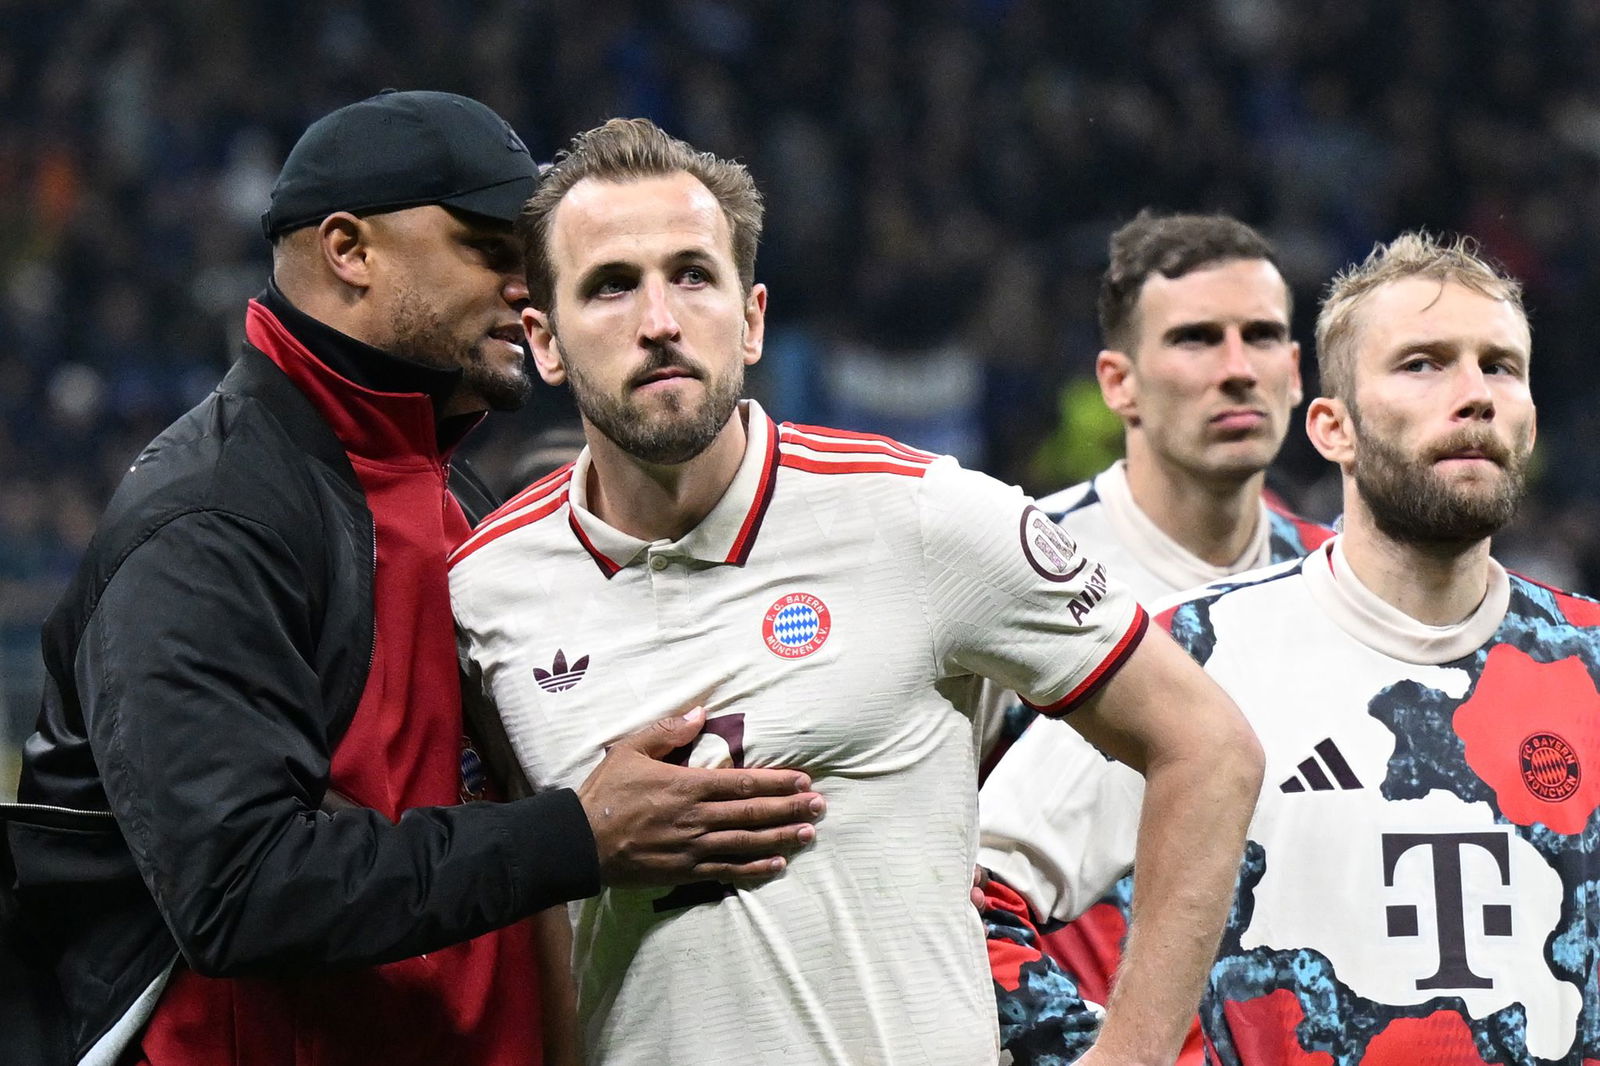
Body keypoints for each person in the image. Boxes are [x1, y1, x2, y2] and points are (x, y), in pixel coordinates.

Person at [5, 91, 823, 1066]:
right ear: (349, 251)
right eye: (488, 249)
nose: (528, 287)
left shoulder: (446, 489)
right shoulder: (212, 519)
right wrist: (576, 834)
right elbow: (239, 891)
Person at [449, 117, 1263, 1066]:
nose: (660, 319)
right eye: (611, 285)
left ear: (752, 320)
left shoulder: (921, 514)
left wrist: (1132, 1055)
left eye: (694, 275)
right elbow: (536, 919)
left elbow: (1209, 748)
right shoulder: (484, 588)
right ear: (544, 343)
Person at [1005, 231, 1600, 1063]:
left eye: (1500, 366)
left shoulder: (1588, 663)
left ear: (1531, 422)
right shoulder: (1194, 655)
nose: (1474, 395)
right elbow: (969, 894)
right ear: (1332, 428)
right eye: (1422, 364)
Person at [975, 212, 1331, 1063]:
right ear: (1118, 383)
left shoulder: (1338, 588)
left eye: (1261, 337)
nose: (1237, 369)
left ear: (1295, 372)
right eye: (1196, 339)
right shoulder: (1008, 573)